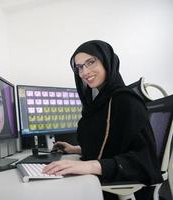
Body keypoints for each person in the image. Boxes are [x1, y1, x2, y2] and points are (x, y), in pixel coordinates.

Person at [42, 40, 162, 199]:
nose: (84, 72)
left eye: (91, 62)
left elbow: (144, 160)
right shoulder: (99, 103)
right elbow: (115, 145)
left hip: (116, 188)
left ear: (107, 61)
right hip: (98, 183)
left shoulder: (125, 100)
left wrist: (89, 166)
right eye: (79, 67)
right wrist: (76, 149)